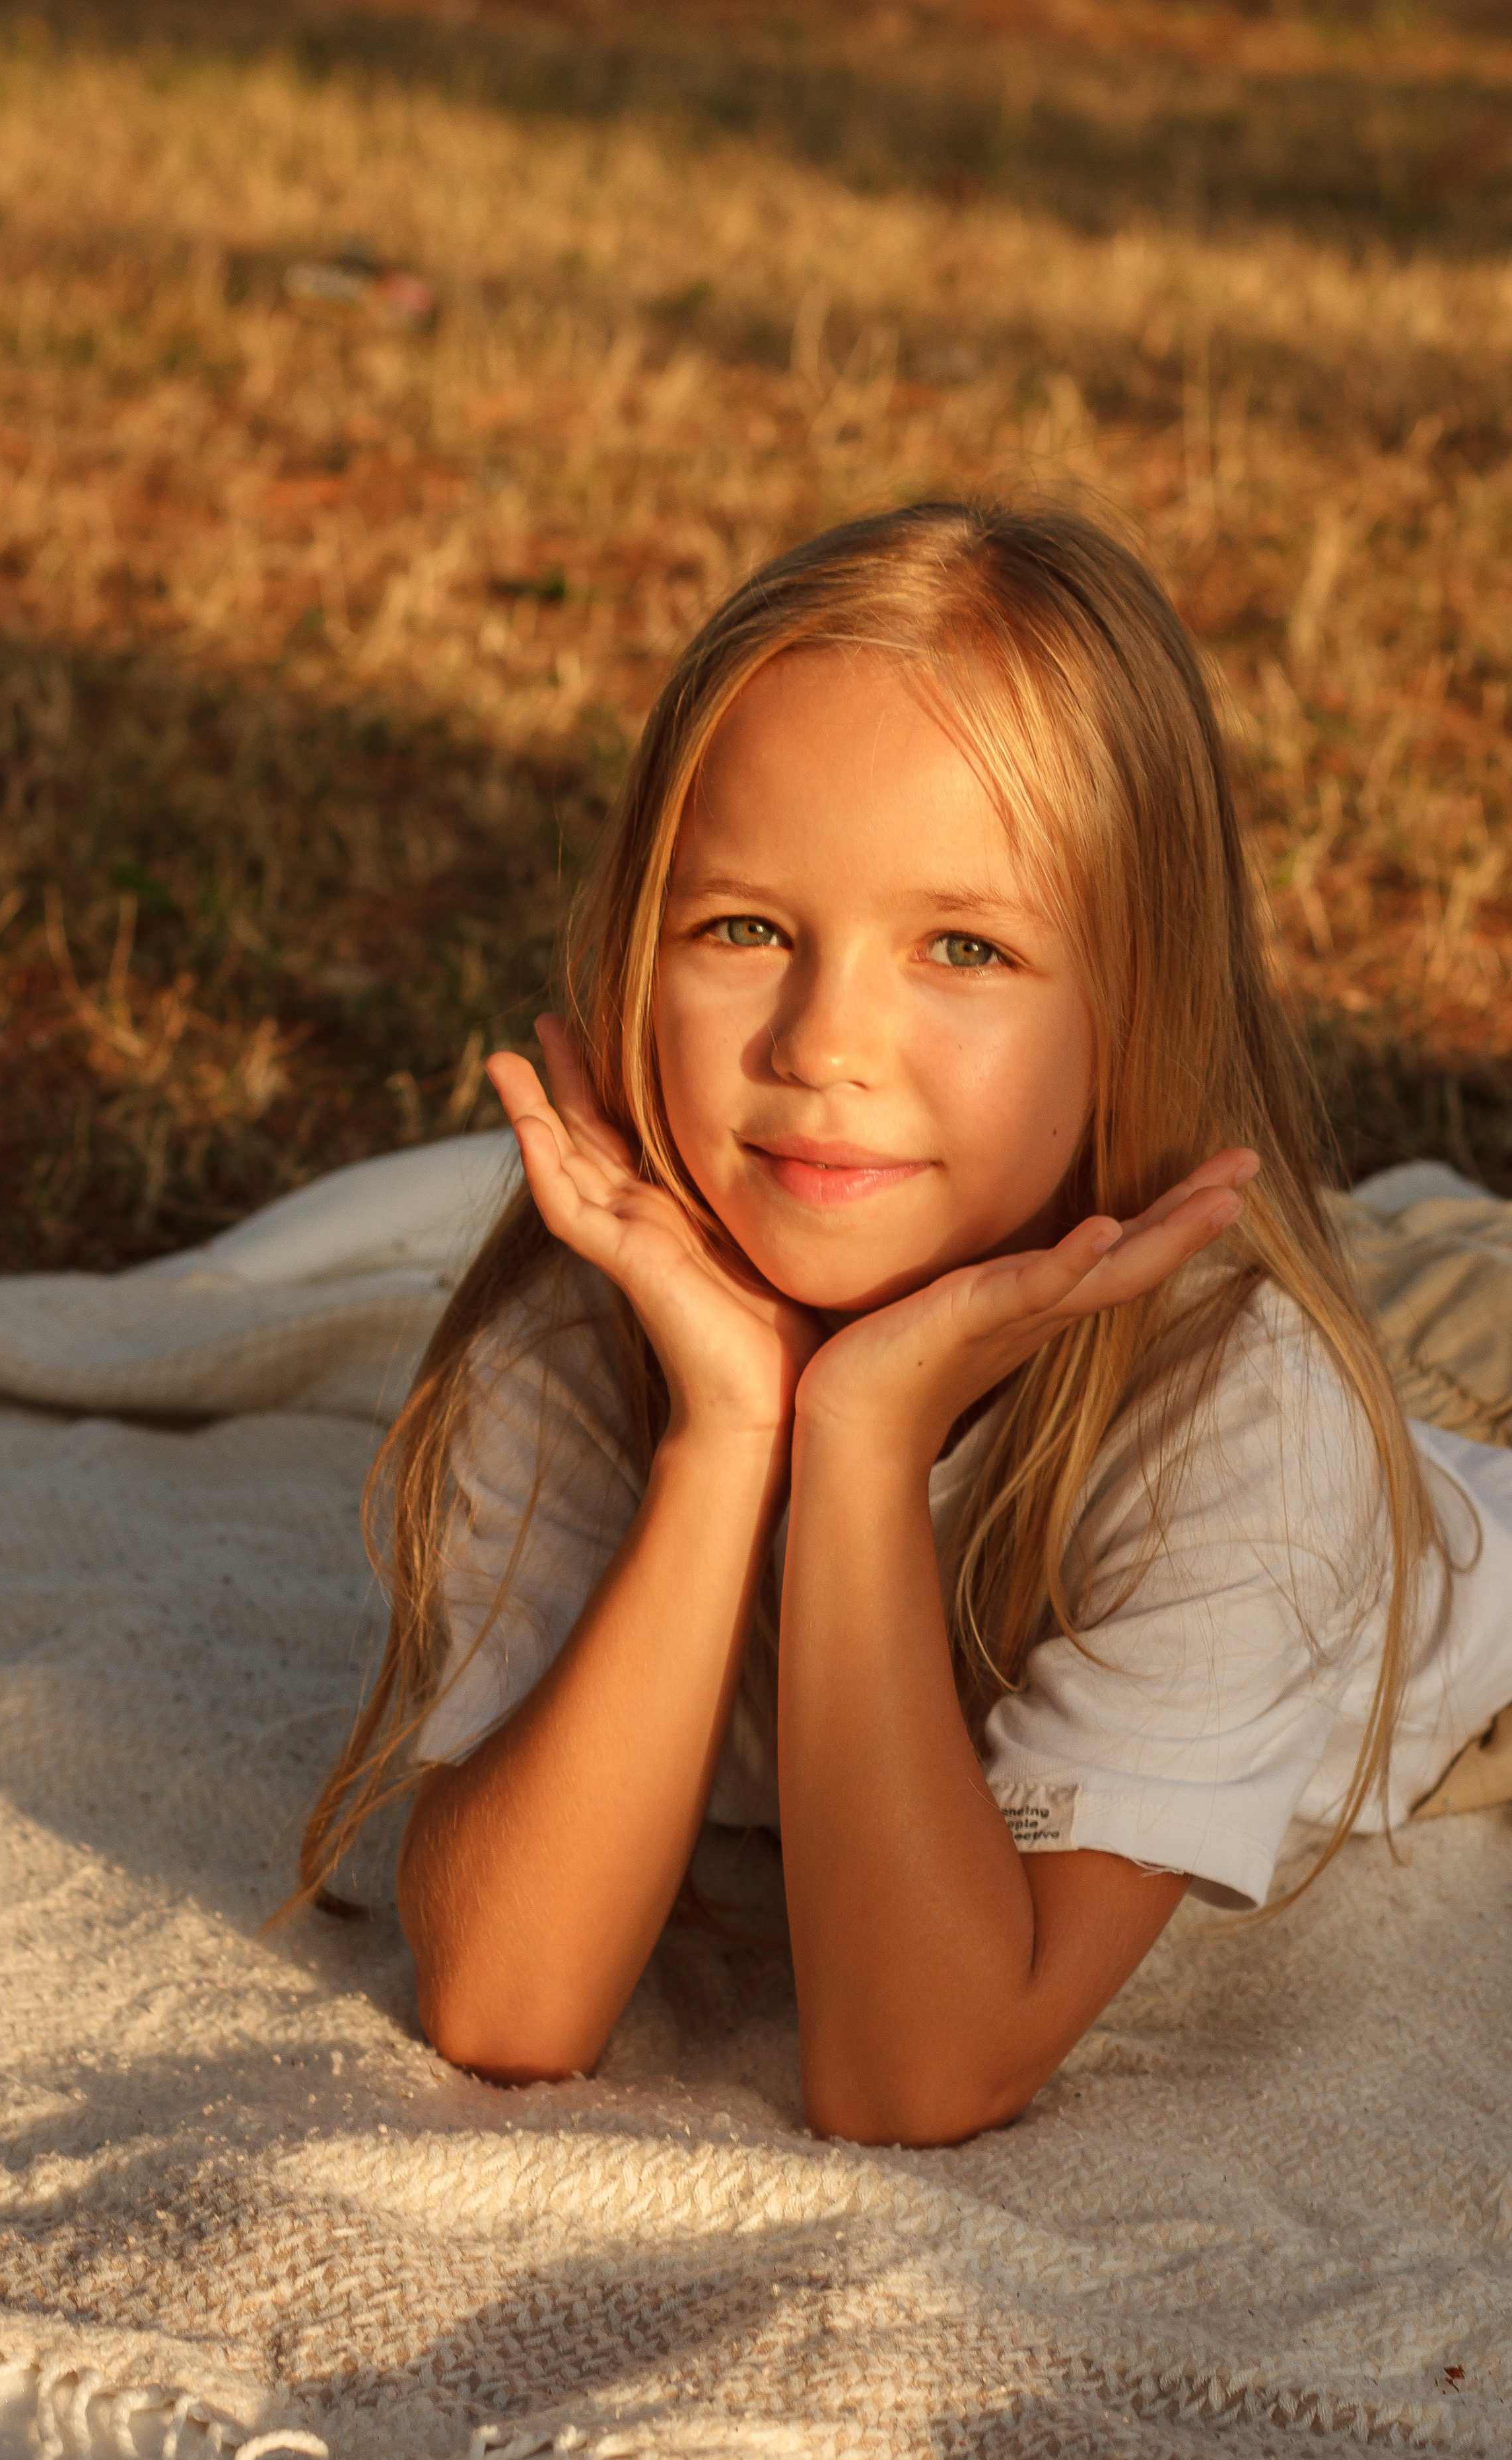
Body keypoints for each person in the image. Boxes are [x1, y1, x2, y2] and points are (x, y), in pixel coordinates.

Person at [294, 501, 1512, 2146]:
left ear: (1136, 1007)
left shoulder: (1248, 1418)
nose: (822, 1043)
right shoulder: (585, 1338)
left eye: (962, 945)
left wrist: (854, 1444)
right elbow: (509, 2003)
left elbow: (916, 2069)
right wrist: (731, 1426)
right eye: (743, 928)